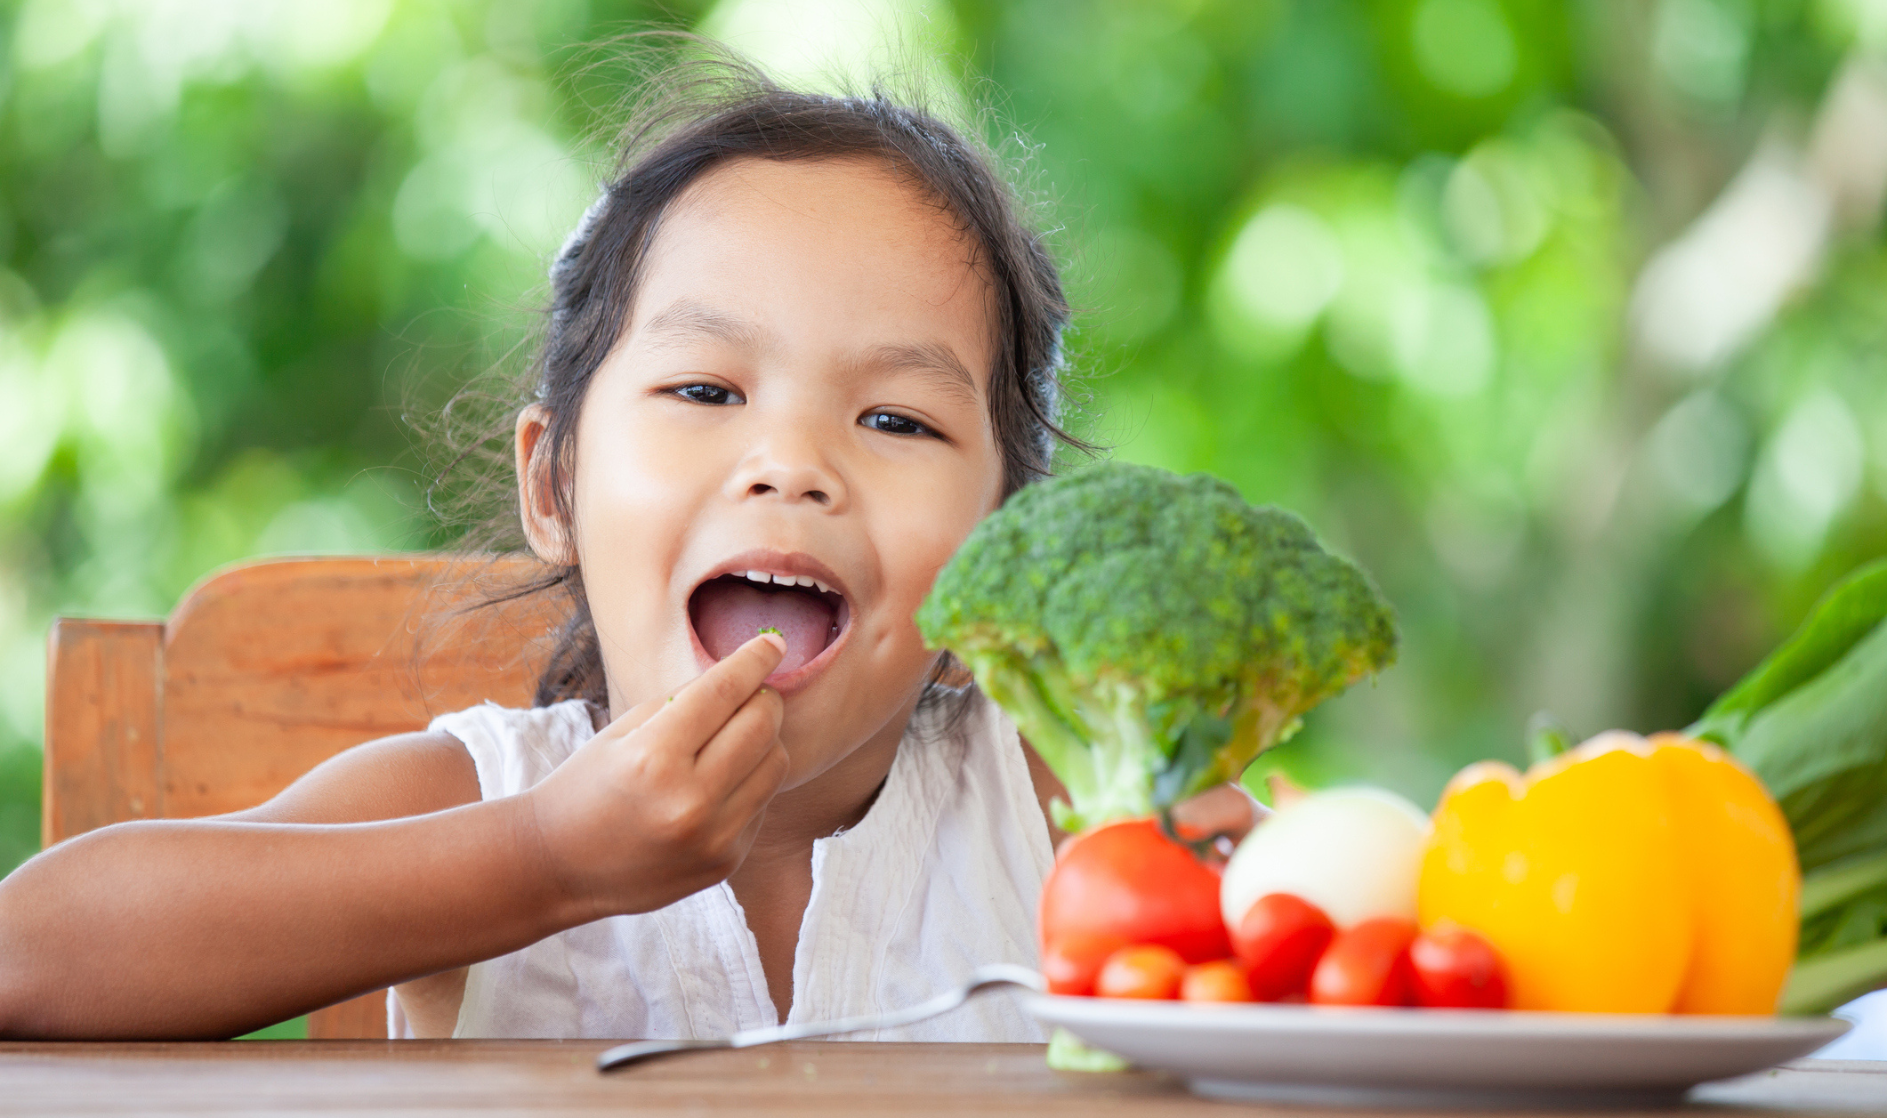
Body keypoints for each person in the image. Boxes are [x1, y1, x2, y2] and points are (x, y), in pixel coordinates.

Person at [0, 50, 1259, 1041]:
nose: (793, 462)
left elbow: (1356, 935)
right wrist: (543, 859)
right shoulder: (479, 799)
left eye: (895, 416)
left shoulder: (1063, 811)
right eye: (708, 391)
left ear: (999, 555)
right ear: (554, 482)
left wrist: (1271, 864)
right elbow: (30, 956)